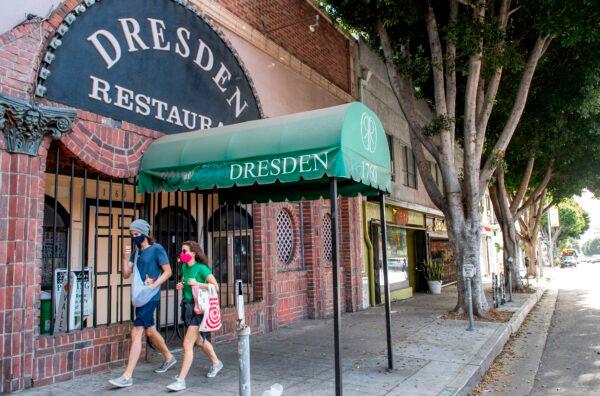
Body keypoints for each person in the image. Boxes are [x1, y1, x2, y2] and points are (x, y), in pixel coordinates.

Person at [109, 219, 177, 388]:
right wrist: (125, 258)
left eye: (137, 234)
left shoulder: (157, 249)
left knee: (137, 331)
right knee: (151, 330)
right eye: (132, 235)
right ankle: (169, 357)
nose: (134, 237)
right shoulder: (136, 253)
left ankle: (127, 376)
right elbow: (126, 274)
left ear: (145, 234)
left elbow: (168, 271)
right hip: (140, 296)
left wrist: (155, 283)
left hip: (151, 295)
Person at [166, 241, 223, 392]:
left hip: (198, 310)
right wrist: (181, 285)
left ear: (194, 253)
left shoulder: (202, 268)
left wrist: (198, 283)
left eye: (185, 251)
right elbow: (185, 284)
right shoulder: (184, 267)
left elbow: (216, 287)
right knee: (199, 340)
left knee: (187, 344)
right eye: (182, 251)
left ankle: (181, 380)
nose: (182, 254)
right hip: (187, 307)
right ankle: (216, 363)